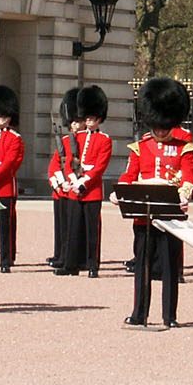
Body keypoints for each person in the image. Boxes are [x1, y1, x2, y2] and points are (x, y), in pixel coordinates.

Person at [121, 77, 193, 327]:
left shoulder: (184, 148)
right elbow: (128, 176)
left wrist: (184, 194)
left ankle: (169, 315)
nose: (162, 131)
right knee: (141, 267)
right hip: (143, 216)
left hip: (170, 216)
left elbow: (189, 177)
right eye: (158, 126)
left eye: (165, 126)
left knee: (169, 269)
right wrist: (120, 191)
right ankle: (139, 313)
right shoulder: (140, 147)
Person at [64, 85, 112, 278]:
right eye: (87, 118)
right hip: (75, 189)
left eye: (92, 118)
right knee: (73, 228)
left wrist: (83, 182)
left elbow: (100, 166)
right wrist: (72, 178)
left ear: (99, 119)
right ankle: (71, 264)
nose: (89, 121)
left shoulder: (105, 140)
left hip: (91, 190)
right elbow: (68, 161)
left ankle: (92, 264)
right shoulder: (77, 137)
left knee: (92, 230)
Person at [0, 85, 25, 272]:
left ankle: (6, 261)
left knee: (5, 226)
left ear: (8, 117)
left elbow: (10, 163)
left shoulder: (15, 138)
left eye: (1, 115)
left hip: (5, 187)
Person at [48, 88, 82, 272]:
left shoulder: (85, 141)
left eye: (78, 122)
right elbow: (54, 166)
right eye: (73, 122)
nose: (75, 125)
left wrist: (74, 181)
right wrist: (60, 183)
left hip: (77, 189)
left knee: (74, 229)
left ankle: (74, 259)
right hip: (63, 189)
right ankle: (61, 255)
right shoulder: (66, 141)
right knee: (62, 228)